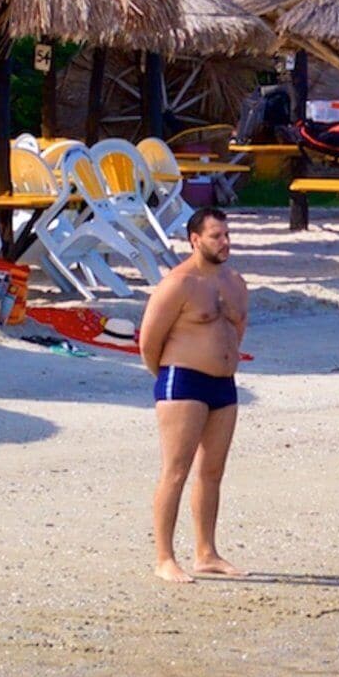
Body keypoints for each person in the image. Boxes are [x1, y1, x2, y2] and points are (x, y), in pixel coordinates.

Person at [135, 206, 248, 584]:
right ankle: (164, 557)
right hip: (182, 381)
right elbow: (149, 341)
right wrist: (170, 376)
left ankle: (206, 553)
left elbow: (238, 331)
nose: (225, 242)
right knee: (176, 470)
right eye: (217, 236)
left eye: (228, 235)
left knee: (212, 471)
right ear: (195, 240)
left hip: (224, 385)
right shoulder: (179, 283)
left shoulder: (235, 282)